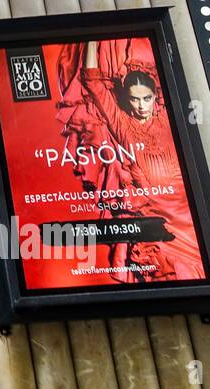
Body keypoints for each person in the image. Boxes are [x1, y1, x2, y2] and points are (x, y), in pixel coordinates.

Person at [81, 39, 203, 281]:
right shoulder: (123, 125)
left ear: (155, 96)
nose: (140, 105)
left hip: (188, 216)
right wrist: (91, 38)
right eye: (134, 99)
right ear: (127, 99)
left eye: (146, 98)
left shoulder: (169, 120)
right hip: (156, 217)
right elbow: (93, 82)